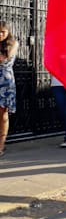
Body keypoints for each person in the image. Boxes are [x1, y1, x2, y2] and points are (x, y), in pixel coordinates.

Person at [0, 21, 18, 158]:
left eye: (3, 32)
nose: (0, 34)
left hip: (5, 82)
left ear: (8, 32)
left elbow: (2, 58)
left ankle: (2, 144)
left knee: (3, 114)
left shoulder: (13, 44)